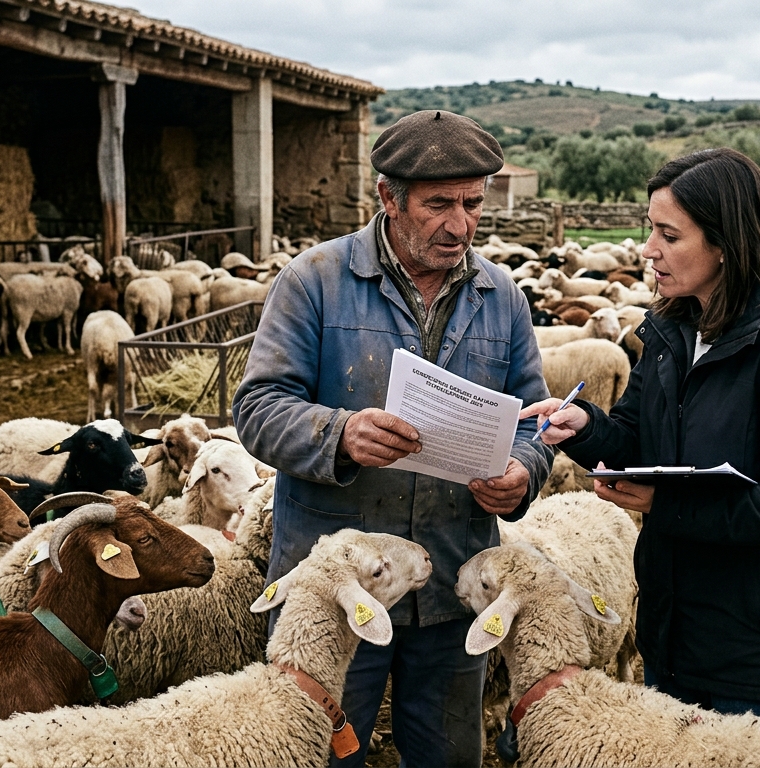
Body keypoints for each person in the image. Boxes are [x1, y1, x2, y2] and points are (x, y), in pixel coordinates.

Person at [233, 109, 553, 767]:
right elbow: (258, 408)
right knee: (318, 752)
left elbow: (535, 420)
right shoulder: (315, 282)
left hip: (451, 580)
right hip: (336, 590)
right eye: (439, 205)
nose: (460, 224)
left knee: (448, 753)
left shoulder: (501, 295)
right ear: (388, 198)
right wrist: (339, 432)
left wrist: (523, 471)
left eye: (472, 204)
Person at [522, 147, 760, 718]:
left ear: (726, 243)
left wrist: (664, 504)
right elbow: (636, 436)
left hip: (757, 651)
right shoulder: (676, 330)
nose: (649, 250)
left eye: (668, 235)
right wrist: (586, 428)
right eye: (651, 230)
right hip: (676, 633)